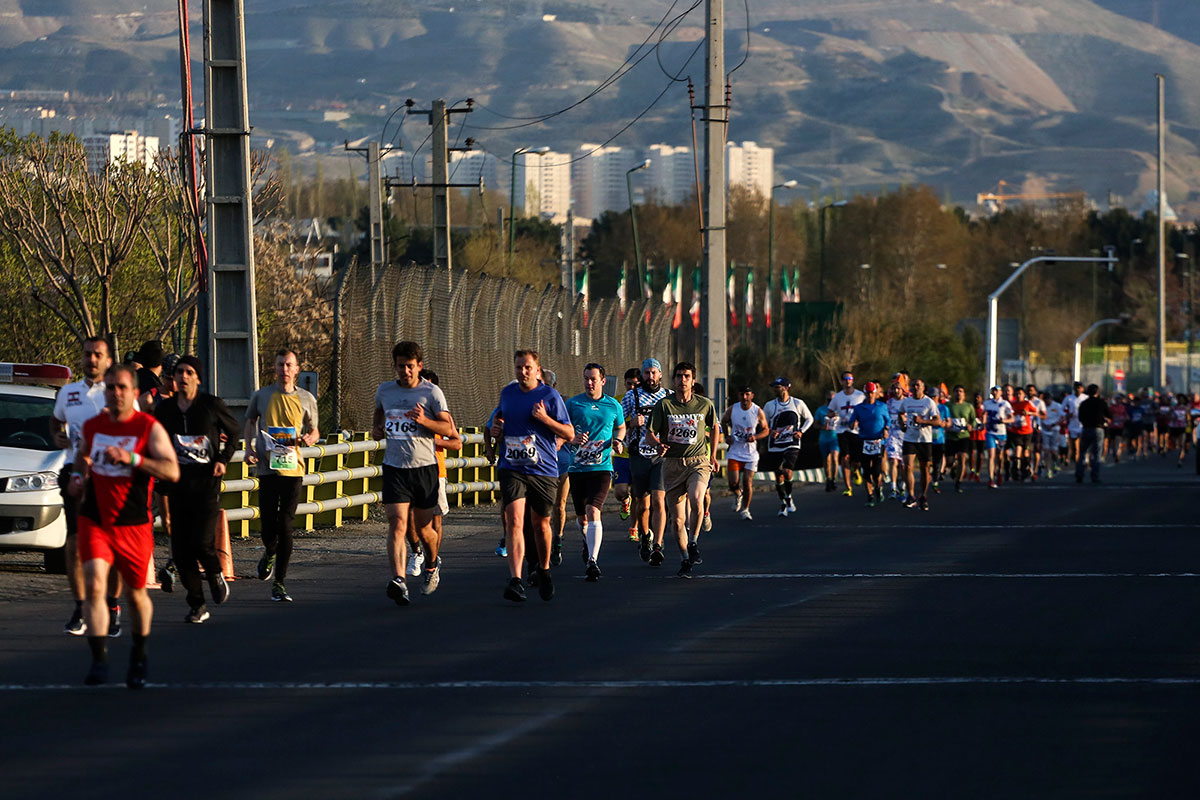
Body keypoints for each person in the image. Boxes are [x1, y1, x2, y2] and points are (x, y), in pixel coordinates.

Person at [70, 364, 180, 688]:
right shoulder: (93, 425)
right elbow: (82, 455)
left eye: (121, 387)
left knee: (135, 595)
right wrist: (78, 476)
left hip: (133, 522)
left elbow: (172, 471)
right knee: (95, 584)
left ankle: (139, 656)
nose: (115, 393)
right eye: (110, 387)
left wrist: (132, 459)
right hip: (96, 518)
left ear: (134, 392)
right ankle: (99, 660)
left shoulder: (147, 427)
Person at [152, 355, 240, 623]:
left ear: (198, 378)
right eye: (179, 372)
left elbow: (234, 431)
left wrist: (223, 459)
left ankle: (214, 572)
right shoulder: (165, 410)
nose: (183, 376)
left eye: (189, 372)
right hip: (178, 486)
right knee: (181, 552)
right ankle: (197, 604)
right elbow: (155, 440)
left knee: (202, 542)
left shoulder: (211, 405)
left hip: (206, 485)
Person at [370, 342, 455, 605]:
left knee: (424, 529)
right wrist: (377, 428)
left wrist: (424, 421)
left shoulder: (431, 393)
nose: (405, 371)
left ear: (419, 366)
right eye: (400, 366)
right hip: (395, 468)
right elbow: (378, 414)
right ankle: (399, 580)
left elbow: (449, 430)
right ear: (394, 366)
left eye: (410, 366)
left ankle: (432, 563)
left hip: (424, 469)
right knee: (398, 523)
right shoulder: (385, 390)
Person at [52, 336, 124, 637]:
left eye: (97, 355)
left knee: (113, 544)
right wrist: (58, 436)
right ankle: (80, 607)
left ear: (108, 360)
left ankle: (112, 606)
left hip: (111, 475)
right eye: (87, 354)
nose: (91, 359)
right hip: (76, 471)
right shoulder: (68, 392)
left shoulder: (118, 393)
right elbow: (56, 422)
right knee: (75, 542)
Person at [492, 350, 574, 602]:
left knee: (540, 524)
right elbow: (499, 421)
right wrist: (498, 430)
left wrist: (545, 419)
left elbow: (569, 433)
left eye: (527, 367)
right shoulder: (508, 394)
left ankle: (544, 569)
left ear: (538, 371)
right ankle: (516, 580)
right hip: (512, 467)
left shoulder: (550, 396)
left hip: (543, 469)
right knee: (514, 520)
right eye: (519, 367)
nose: (523, 372)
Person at [243, 349, 320, 603]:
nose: (284, 369)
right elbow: (250, 421)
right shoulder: (262, 395)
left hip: (293, 470)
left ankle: (279, 582)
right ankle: (269, 551)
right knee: (268, 527)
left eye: (289, 365)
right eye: (280, 365)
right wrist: (249, 449)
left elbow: (315, 430)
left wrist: (310, 438)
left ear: (297, 369)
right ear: (274, 368)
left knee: (285, 526)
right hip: (267, 469)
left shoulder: (306, 398)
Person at [646, 362, 718, 578]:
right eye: (679, 376)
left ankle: (693, 541)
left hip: (698, 462)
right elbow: (650, 434)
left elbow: (715, 427)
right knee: (677, 521)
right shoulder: (664, 405)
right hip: (672, 464)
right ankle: (685, 558)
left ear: (693, 380)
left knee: (696, 499)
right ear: (674, 379)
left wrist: (713, 455)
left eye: (687, 376)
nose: (682, 380)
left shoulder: (704, 404)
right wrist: (658, 445)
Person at [565, 363, 626, 581]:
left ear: (603, 381)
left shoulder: (613, 405)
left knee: (593, 510)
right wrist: (572, 438)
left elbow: (621, 426)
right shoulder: (573, 404)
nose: (589, 383)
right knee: (582, 519)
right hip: (577, 468)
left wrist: (618, 441)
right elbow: (562, 430)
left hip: (602, 468)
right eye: (586, 379)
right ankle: (587, 542)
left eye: (593, 379)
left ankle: (593, 561)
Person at [622, 358, 669, 564]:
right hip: (639, 455)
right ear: (642, 375)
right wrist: (631, 423)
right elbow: (617, 423)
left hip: (661, 456)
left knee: (659, 500)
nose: (650, 377)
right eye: (647, 373)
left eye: (654, 373)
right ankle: (645, 535)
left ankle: (658, 544)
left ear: (660, 375)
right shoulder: (631, 396)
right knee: (642, 505)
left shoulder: (668, 396)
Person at [762, 376, 814, 516]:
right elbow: (763, 423)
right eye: (774, 387)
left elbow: (809, 418)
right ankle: (783, 502)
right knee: (778, 476)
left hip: (792, 443)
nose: (775, 389)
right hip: (775, 444)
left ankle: (789, 496)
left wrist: (801, 431)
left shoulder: (797, 403)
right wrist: (770, 431)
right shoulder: (769, 405)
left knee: (787, 471)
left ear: (785, 388)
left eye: (777, 387)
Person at [721, 385, 768, 519]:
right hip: (735, 451)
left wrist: (755, 437)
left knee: (747, 482)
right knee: (733, 483)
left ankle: (745, 509)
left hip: (750, 454)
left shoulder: (757, 411)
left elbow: (766, 430)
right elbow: (723, 421)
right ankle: (738, 494)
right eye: (742, 394)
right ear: (738, 395)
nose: (745, 397)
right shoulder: (733, 409)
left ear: (752, 396)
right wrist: (727, 436)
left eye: (747, 394)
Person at [899, 378, 941, 510]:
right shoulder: (906, 401)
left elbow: (937, 421)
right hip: (909, 438)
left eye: (918, 385)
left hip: (924, 440)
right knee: (907, 466)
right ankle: (911, 495)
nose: (915, 387)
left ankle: (923, 496)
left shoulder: (929, 402)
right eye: (913, 385)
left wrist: (923, 421)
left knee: (924, 469)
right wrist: (902, 424)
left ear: (923, 388)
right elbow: (900, 413)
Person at [849, 382, 889, 507]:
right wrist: (853, 424)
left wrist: (886, 429)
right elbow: (851, 423)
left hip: (878, 441)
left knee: (876, 471)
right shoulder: (858, 408)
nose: (870, 395)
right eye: (868, 393)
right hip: (864, 441)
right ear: (865, 393)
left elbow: (888, 421)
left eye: (872, 393)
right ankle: (870, 496)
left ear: (875, 393)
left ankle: (878, 487)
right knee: (866, 470)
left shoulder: (882, 406)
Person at [613, 368, 640, 540]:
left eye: (635, 384)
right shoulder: (617, 401)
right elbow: (613, 425)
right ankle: (624, 501)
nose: (631, 387)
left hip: (639, 455)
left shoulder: (645, 400)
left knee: (638, 495)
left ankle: (634, 528)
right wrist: (630, 424)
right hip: (622, 454)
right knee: (620, 491)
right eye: (629, 384)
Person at [832, 371, 865, 496]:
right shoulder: (837, 397)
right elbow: (830, 411)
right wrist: (832, 416)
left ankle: (856, 470)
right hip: (842, 430)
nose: (848, 381)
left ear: (853, 380)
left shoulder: (860, 395)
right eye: (845, 379)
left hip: (857, 431)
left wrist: (858, 420)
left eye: (850, 378)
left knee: (856, 460)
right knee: (845, 457)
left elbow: (866, 409)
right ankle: (848, 487)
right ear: (842, 381)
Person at [1076, 384, 1110, 483]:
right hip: (1098, 428)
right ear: (1097, 392)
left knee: (1082, 453)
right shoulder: (1101, 402)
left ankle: (1079, 474)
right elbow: (1109, 414)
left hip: (1086, 428)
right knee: (1096, 454)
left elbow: (1080, 417)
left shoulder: (1084, 403)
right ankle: (1094, 476)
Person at [982, 385, 1013, 488]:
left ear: (1000, 392)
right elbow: (983, 415)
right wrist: (983, 421)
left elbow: (1012, 418)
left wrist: (1004, 420)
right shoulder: (987, 403)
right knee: (991, 455)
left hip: (1001, 433)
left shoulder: (1005, 404)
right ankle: (991, 478)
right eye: (993, 391)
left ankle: (999, 472)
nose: (995, 393)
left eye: (997, 391)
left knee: (1000, 456)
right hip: (990, 432)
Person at [945, 385, 974, 493]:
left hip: (963, 436)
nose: (958, 393)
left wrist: (971, 426)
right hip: (951, 436)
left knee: (962, 458)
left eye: (961, 391)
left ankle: (958, 483)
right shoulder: (948, 405)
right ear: (953, 393)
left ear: (964, 394)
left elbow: (973, 420)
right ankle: (953, 466)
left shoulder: (968, 406)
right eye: (956, 391)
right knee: (949, 461)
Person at [1008, 386, 1039, 482]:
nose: (1018, 396)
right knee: (1018, 450)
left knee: (1026, 452)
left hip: (1027, 432)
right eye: (1017, 394)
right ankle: (1016, 470)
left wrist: (1028, 413)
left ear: (1024, 395)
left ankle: (1026, 469)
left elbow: (1036, 413)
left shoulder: (1027, 403)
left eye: (1020, 394)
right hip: (1016, 431)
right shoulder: (1012, 404)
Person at [813, 390, 840, 493]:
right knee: (826, 460)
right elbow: (815, 424)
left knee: (834, 457)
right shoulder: (821, 410)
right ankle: (828, 479)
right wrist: (822, 427)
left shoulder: (838, 409)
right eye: (829, 400)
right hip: (824, 439)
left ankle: (834, 479)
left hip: (835, 438)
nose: (831, 402)